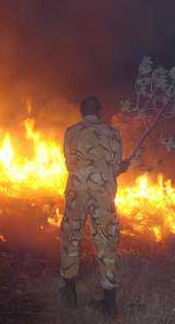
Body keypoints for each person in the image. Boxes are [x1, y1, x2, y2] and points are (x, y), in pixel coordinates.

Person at [60, 96, 129, 316]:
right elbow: (115, 166)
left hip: (77, 190)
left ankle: (70, 293)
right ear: (99, 111)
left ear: (81, 112)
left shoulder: (71, 132)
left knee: (71, 236)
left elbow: (69, 164)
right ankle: (109, 302)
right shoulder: (112, 133)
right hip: (102, 192)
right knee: (106, 239)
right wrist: (122, 168)